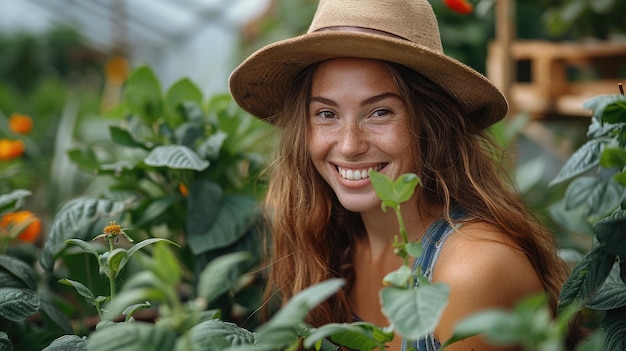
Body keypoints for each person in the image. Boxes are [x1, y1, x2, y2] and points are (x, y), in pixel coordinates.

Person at [229, 0, 577, 350]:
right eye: (326, 113)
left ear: (431, 123)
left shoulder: (471, 270)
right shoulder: (330, 242)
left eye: (380, 112)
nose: (349, 146)